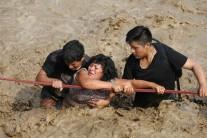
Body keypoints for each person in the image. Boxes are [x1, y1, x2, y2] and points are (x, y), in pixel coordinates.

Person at [123, 26, 207, 107]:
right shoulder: (132, 61)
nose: (132, 51)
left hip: (167, 98)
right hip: (142, 103)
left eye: (135, 48)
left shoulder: (164, 52)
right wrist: (128, 91)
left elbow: (194, 65)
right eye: (131, 47)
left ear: (147, 45)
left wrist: (203, 84)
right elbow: (125, 84)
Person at [64, 54, 165, 108]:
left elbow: (132, 83)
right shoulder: (82, 73)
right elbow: (87, 84)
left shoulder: (111, 80)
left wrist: (153, 85)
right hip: (69, 108)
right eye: (91, 66)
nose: (91, 69)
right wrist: (112, 86)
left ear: (104, 73)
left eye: (96, 68)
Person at [36, 40, 90, 108]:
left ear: (82, 59)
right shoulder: (54, 58)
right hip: (54, 93)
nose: (70, 66)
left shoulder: (89, 64)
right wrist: (53, 81)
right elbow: (38, 79)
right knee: (46, 106)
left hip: (74, 95)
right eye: (67, 62)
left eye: (73, 64)